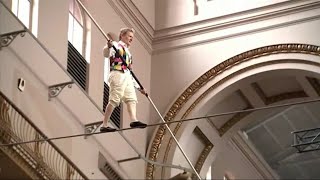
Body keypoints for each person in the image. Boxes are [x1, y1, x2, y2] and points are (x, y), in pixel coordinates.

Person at [101, 28, 147, 132]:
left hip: (126, 76)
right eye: (129, 36)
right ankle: (104, 124)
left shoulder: (128, 53)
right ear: (122, 35)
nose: (131, 39)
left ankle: (134, 120)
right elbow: (106, 54)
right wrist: (108, 47)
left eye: (132, 37)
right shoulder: (116, 45)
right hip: (117, 74)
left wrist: (140, 88)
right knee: (115, 99)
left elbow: (129, 72)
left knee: (131, 98)